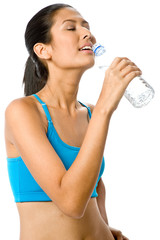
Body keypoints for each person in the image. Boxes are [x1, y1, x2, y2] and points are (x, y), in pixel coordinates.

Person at [5, 3, 142, 240]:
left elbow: (94, 186)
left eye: (86, 26)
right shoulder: (23, 111)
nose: (87, 33)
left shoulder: (90, 112)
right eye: (71, 28)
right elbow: (71, 203)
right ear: (43, 50)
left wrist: (105, 227)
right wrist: (105, 106)